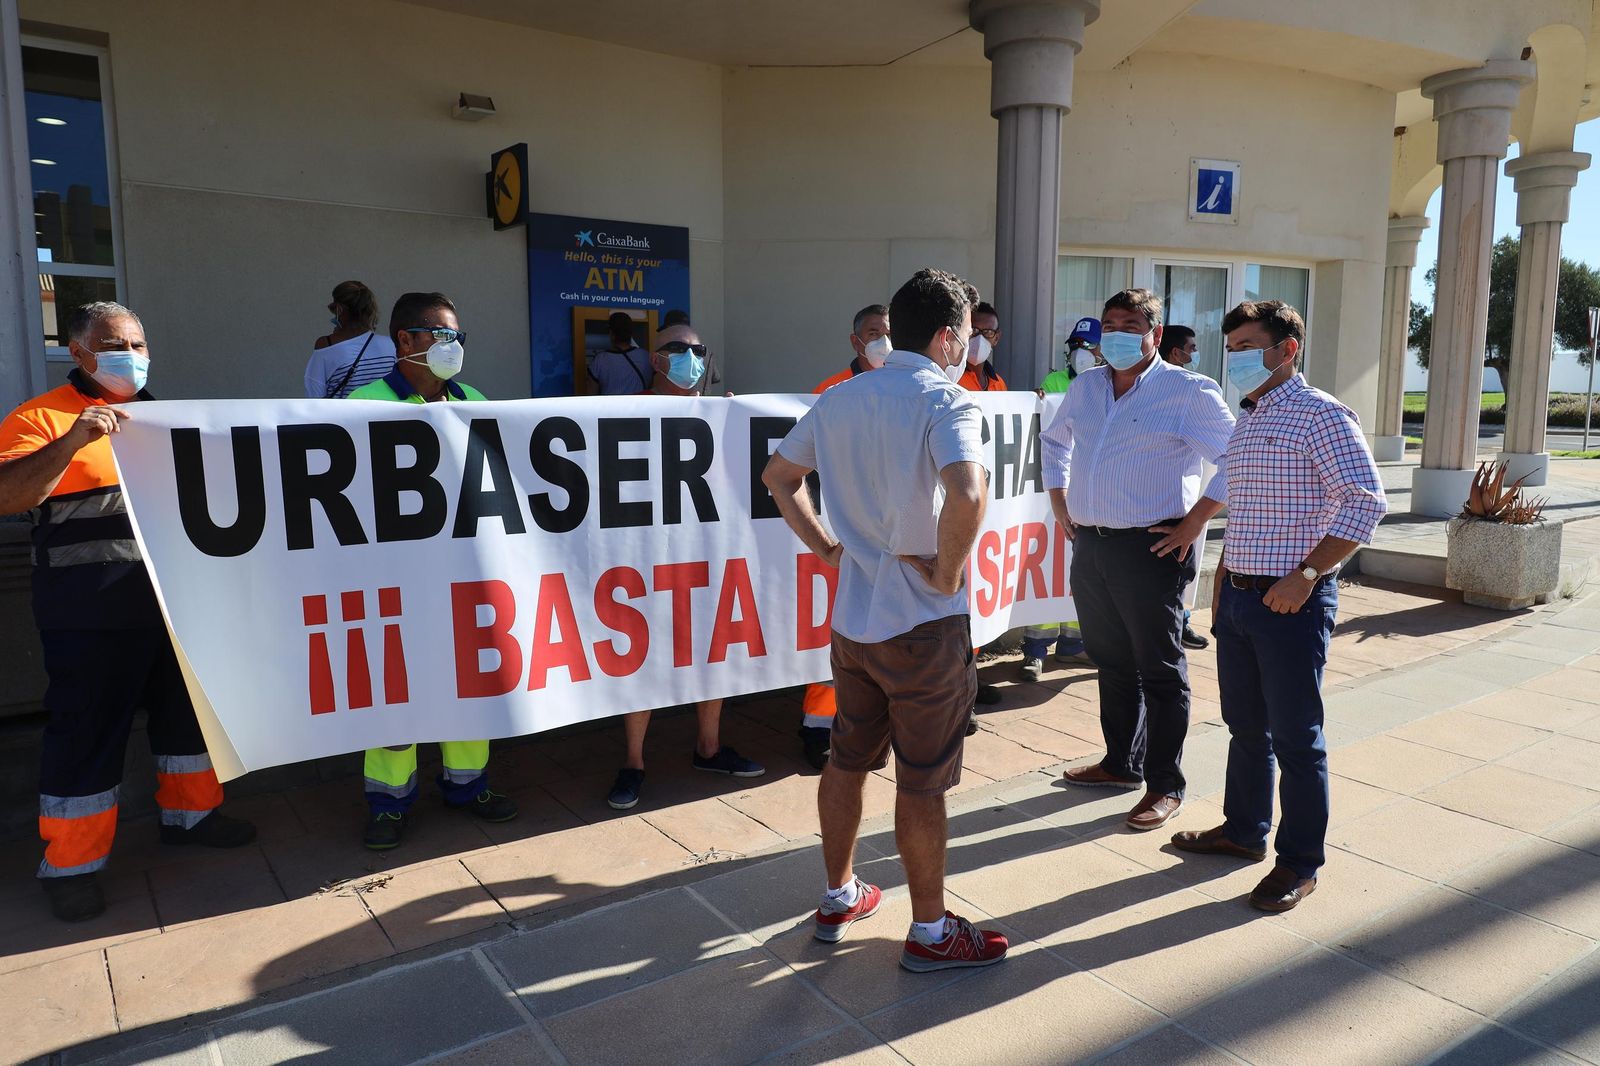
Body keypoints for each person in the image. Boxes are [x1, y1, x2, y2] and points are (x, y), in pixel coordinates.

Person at [763, 267, 1008, 973]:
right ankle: (930, 933)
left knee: (846, 759)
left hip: (856, 623)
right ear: (945, 336)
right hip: (923, 627)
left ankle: (840, 894)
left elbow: (779, 477)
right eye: (965, 336)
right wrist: (949, 573)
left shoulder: (841, 399)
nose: (969, 348)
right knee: (923, 780)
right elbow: (967, 495)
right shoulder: (947, 399)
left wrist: (829, 549)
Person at [0, 302, 257, 922]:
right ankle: (71, 864)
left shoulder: (164, 419)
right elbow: (10, 497)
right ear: (79, 352)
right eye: (119, 345)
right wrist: (74, 440)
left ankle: (192, 816)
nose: (134, 357)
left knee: (187, 722)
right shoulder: (37, 418)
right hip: (87, 614)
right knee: (87, 734)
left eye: (140, 344)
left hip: (174, 607)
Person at [1157, 300, 1386, 912]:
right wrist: (1221, 584)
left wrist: (1308, 573)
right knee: (1245, 729)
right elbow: (1241, 504)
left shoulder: (1321, 416)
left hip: (1292, 604)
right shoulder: (1251, 417)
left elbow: (1364, 502)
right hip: (1239, 601)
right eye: (1229, 346)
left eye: (1249, 345)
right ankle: (1243, 831)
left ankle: (1299, 862)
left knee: (1296, 738)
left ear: (1288, 349)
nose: (1236, 358)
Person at [1041, 289, 1234, 832]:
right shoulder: (1086, 386)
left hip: (1152, 548)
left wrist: (1196, 522)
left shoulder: (1187, 390)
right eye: (1109, 324)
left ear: (1154, 333)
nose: (1117, 334)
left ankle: (1165, 783)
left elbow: (1234, 458)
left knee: (1160, 668)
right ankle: (1120, 763)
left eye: (1130, 324)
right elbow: (1055, 442)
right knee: (1111, 661)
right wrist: (1059, 502)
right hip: (1093, 544)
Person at [347, 292, 519, 848]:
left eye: (457, 337)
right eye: (442, 335)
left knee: (467, 683)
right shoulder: (360, 404)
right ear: (405, 339)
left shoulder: (474, 400)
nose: (453, 347)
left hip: (461, 575)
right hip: (393, 578)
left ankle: (468, 786)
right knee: (395, 690)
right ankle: (389, 802)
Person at [606, 323, 766, 811]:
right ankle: (633, 762)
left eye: (698, 350)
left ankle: (709, 749)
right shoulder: (622, 411)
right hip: (644, 555)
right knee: (641, 658)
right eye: (679, 350)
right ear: (656, 360)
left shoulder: (719, 413)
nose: (691, 358)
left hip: (705, 553)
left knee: (712, 650)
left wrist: (735, 427)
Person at [800, 304, 891, 769]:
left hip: (888, 533)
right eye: (874, 333)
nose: (883, 341)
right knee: (833, 629)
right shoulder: (829, 390)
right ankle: (819, 727)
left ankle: (875, 726)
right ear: (855, 342)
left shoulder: (904, 387)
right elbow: (806, 469)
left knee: (883, 633)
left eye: (889, 332)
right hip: (842, 530)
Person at [1020, 317, 1099, 682]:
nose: (1084, 353)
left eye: (1091, 346)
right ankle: (1034, 651)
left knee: (1077, 575)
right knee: (1043, 572)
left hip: (1086, 493)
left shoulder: (1106, 386)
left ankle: (1071, 645)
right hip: (1048, 494)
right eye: (1078, 346)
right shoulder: (1054, 383)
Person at [1157, 324, 1210, 651]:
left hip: (1179, 514)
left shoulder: (1194, 392)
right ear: (1175, 352)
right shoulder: (1145, 391)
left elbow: (1229, 457)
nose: (1194, 354)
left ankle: (1180, 626)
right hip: (1150, 522)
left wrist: (1196, 519)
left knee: (1173, 588)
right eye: (1191, 348)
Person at [305, 281, 398, 399]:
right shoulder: (392, 345)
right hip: (382, 416)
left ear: (339, 310)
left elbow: (315, 396)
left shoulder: (326, 346)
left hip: (341, 417)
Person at [588, 311, 654, 396]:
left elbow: (591, 395)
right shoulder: (646, 356)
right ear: (631, 334)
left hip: (610, 408)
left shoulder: (600, 360)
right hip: (640, 407)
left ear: (611, 333)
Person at [1040, 316, 1100, 394]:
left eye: (1087, 344)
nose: (1079, 349)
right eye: (1074, 343)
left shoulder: (1113, 383)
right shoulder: (1054, 381)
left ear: (1103, 347)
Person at [957, 300, 1007, 392]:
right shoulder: (952, 379)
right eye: (974, 330)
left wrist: (1035, 398)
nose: (980, 338)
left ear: (996, 338)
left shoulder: (999, 384)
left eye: (988, 332)